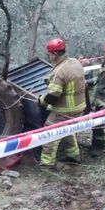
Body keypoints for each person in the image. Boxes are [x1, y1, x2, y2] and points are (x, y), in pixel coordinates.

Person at [37, 38, 86, 170]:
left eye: (49, 54)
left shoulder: (60, 72)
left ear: (56, 54)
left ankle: (47, 165)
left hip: (65, 110)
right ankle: (74, 155)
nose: (48, 56)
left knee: (50, 133)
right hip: (79, 107)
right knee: (67, 129)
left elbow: (53, 95)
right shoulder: (75, 62)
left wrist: (41, 100)